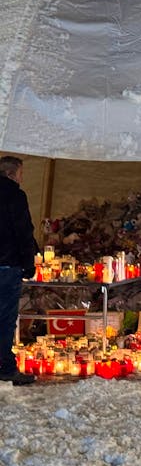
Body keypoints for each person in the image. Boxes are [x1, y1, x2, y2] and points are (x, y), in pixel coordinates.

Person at [0, 156, 37, 385]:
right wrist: (28, 263)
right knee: (4, 318)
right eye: (21, 173)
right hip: (7, 266)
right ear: (13, 173)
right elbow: (23, 231)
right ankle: (5, 366)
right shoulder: (15, 195)